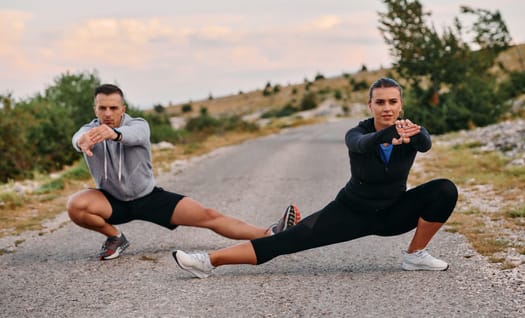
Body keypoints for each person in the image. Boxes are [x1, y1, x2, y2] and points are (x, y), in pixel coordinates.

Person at [173, 77, 458, 278]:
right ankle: (207, 261)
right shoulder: (356, 133)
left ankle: (415, 255)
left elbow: (425, 144)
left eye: (392, 102)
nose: (387, 107)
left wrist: (415, 133)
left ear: (400, 105)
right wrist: (390, 133)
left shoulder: (407, 130)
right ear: (369, 105)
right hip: (350, 212)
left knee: (444, 189)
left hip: (393, 213)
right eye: (380, 102)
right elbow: (362, 145)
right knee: (284, 243)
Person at [67, 84, 300, 260]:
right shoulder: (89, 130)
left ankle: (269, 233)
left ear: (122, 109)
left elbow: (135, 135)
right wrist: (82, 141)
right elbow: (78, 137)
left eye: (113, 108)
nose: (108, 113)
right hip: (112, 200)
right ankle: (115, 237)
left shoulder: (138, 124)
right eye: (102, 108)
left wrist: (114, 134)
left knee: (209, 216)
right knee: (75, 205)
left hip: (149, 198)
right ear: (95, 108)